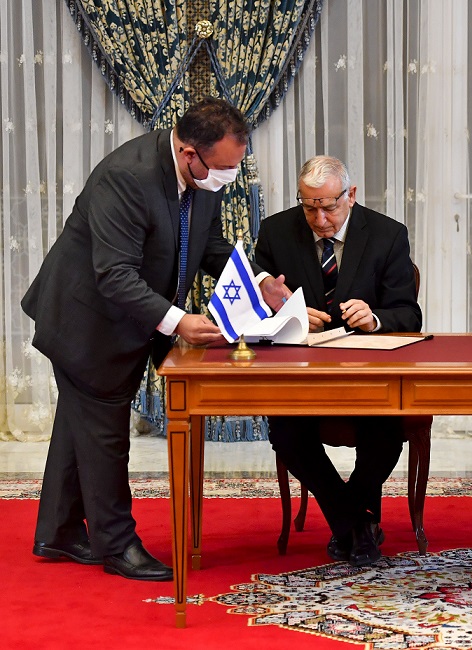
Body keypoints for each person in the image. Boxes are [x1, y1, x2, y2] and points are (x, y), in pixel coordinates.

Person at [22, 97, 290, 581]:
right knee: (104, 431)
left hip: (128, 315)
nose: (229, 178)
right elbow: (114, 274)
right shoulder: (127, 177)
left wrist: (260, 281)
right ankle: (117, 544)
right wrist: (177, 320)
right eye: (224, 168)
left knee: (79, 423)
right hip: (87, 320)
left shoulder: (202, 175)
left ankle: (58, 531)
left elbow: (208, 245)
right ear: (190, 153)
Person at [254, 155, 421, 567]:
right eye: (309, 206)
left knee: (385, 434)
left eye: (329, 206)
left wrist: (376, 317)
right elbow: (256, 310)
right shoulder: (277, 231)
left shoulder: (387, 235)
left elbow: (409, 315)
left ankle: (347, 522)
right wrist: (286, 314)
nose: (320, 218)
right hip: (300, 377)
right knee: (287, 434)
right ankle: (356, 524)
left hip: (368, 376)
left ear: (351, 195)